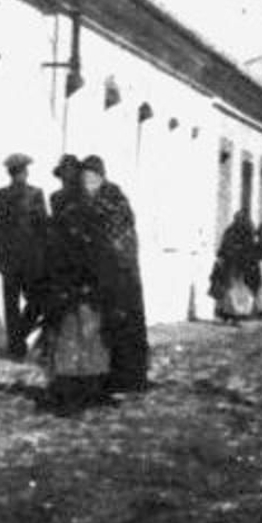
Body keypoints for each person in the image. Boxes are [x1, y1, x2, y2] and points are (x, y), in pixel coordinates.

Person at [29, 163, 111, 414]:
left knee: (78, 341)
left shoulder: (80, 212)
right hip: (70, 287)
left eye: (67, 180)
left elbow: (89, 251)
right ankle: (75, 391)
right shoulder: (69, 211)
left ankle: (76, 393)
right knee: (74, 341)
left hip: (78, 288)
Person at [78, 155, 151, 393]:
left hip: (121, 274)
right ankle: (105, 378)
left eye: (89, 177)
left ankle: (126, 379)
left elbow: (115, 236)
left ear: (100, 177)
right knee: (106, 327)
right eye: (83, 177)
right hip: (103, 273)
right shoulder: (89, 200)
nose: (85, 182)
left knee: (122, 326)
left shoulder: (113, 200)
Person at [0, 152, 49, 360]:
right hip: (18, 258)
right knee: (20, 303)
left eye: (20, 172)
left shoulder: (30, 194)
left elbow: (43, 226)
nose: (19, 176)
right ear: (16, 173)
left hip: (23, 257)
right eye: (17, 172)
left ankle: (17, 340)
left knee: (33, 301)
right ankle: (16, 345)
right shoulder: (10, 194)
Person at [212, 210, 260, 322]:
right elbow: (225, 247)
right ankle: (231, 314)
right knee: (231, 290)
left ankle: (234, 313)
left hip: (239, 265)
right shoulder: (234, 232)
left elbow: (249, 249)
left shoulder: (244, 232)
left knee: (236, 290)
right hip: (234, 264)